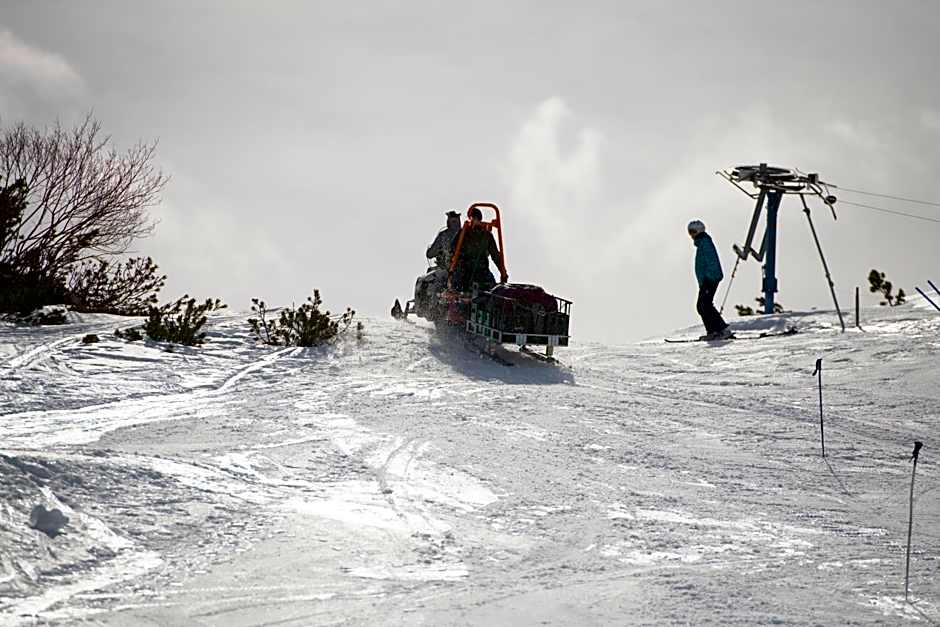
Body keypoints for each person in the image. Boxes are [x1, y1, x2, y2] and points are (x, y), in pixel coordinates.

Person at [688, 220, 732, 340]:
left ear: (699, 231)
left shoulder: (705, 242)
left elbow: (711, 260)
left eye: (693, 231)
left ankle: (721, 329)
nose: (691, 235)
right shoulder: (702, 242)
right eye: (689, 232)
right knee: (703, 305)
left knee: (704, 305)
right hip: (707, 279)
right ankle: (714, 331)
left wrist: (709, 277)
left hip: (710, 278)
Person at [451, 207, 508, 292]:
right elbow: (495, 256)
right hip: (479, 271)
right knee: (491, 288)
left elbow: (453, 250)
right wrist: (503, 272)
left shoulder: (464, 233)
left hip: (468, 272)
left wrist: (503, 272)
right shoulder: (486, 235)